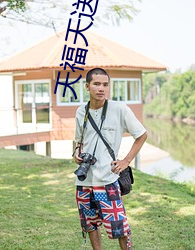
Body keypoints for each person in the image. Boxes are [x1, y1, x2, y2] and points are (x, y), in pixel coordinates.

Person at [73, 68, 147, 250]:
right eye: (97, 84)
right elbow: (78, 140)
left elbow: (142, 135)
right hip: (84, 181)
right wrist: (76, 152)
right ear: (87, 86)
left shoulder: (119, 109)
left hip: (108, 180)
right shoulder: (81, 112)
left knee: (120, 227)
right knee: (90, 224)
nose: (101, 89)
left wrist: (126, 161)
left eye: (105, 84)